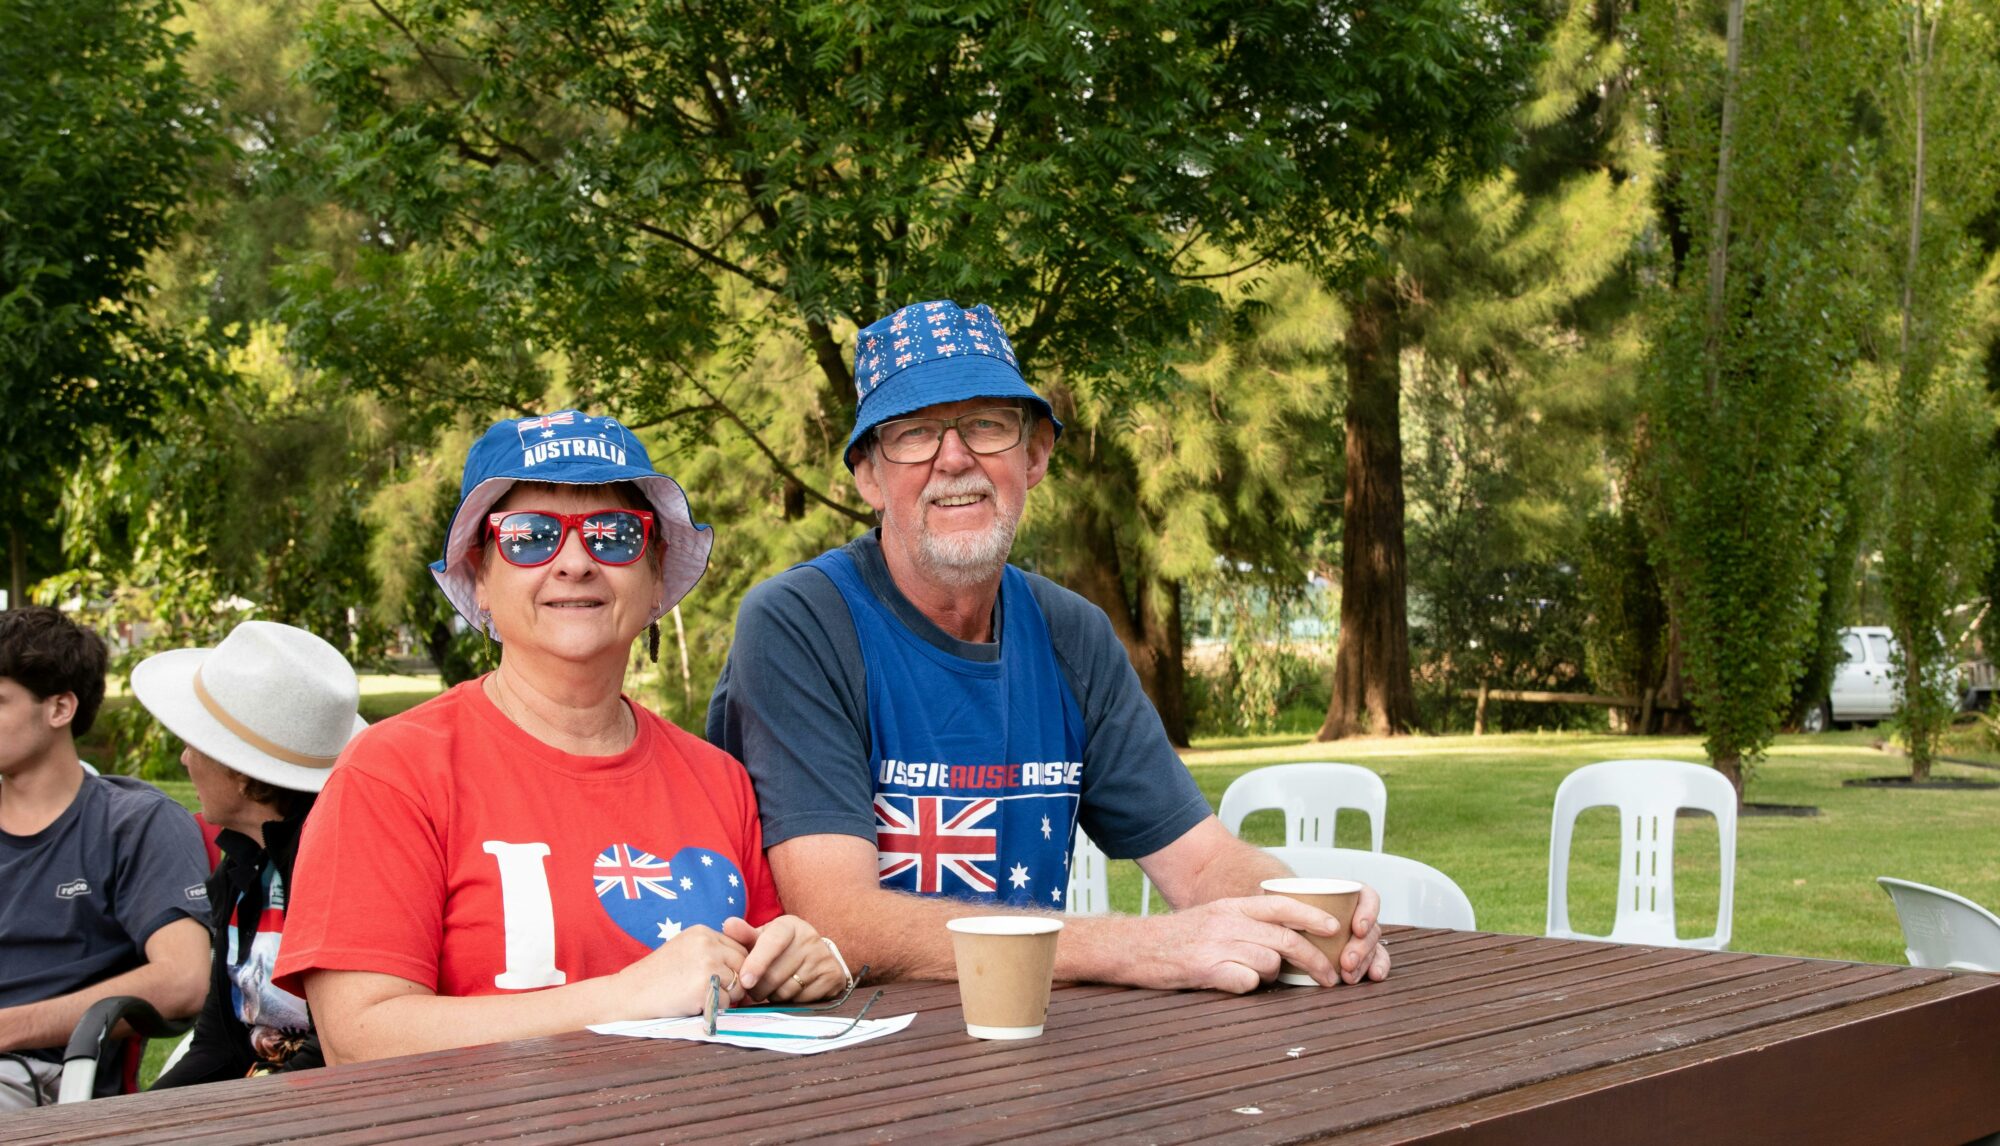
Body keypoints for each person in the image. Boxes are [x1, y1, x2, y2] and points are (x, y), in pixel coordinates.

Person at [709, 300, 1392, 993]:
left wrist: (1298, 912)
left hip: (1031, 1053)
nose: (954, 458)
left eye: (986, 426)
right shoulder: (800, 624)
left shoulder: (1072, 633)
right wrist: (1137, 947)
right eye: (913, 434)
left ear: (1034, 455)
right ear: (868, 476)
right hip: (842, 1070)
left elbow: (1202, 863)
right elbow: (836, 920)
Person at [274, 411, 847, 1064]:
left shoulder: (718, 780)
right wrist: (624, 997)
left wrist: (799, 965)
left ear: (657, 574)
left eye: (613, 534)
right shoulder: (393, 773)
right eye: (529, 537)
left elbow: (751, 996)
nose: (574, 561)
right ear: (480, 577)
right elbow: (358, 1038)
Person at [130, 620, 367, 1085]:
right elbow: (218, 1042)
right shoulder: (245, 868)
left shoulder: (337, 867)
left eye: (194, 744)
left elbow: (336, 1050)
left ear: (242, 774)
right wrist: (135, 1118)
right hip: (265, 1099)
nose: (184, 759)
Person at [0, 607, 210, 1109]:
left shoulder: (133, 825)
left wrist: (8, 1028)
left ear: (59, 709)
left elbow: (184, 980)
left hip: (40, 1076)